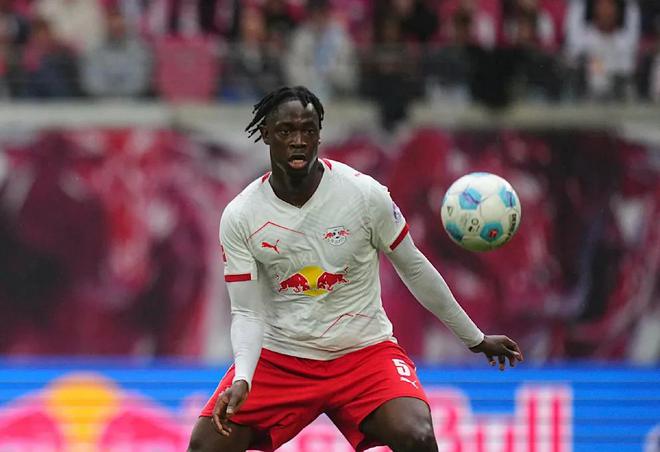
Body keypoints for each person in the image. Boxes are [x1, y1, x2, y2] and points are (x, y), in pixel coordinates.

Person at [187, 86, 523, 452]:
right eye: (286, 131)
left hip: (363, 353)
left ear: (319, 134)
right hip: (282, 359)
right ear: (266, 134)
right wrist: (244, 378)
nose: (298, 141)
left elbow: (414, 268)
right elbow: (247, 312)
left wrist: (474, 337)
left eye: (308, 130)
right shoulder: (242, 215)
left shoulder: (364, 195)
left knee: (417, 435)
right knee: (205, 446)